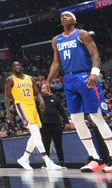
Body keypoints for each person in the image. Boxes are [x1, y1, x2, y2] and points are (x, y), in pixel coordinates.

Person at [42, 10, 112, 173]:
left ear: (74, 19)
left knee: (96, 117)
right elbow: (56, 62)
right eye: (62, 16)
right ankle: (94, 158)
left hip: (85, 77)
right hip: (69, 80)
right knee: (76, 120)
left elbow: (95, 54)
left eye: (68, 15)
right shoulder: (56, 40)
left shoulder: (82, 34)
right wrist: (48, 81)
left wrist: (95, 72)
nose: (64, 17)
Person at [4, 61, 61, 171]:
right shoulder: (10, 80)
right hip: (22, 106)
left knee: (36, 133)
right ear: (12, 69)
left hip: (32, 106)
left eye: (19, 65)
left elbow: (37, 92)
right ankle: (47, 161)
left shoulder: (30, 78)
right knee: (35, 132)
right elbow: (7, 97)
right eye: (14, 65)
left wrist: (41, 101)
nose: (17, 66)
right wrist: (8, 111)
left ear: (22, 66)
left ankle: (24, 158)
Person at [41, 81, 69, 167]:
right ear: (41, 90)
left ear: (49, 88)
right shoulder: (39, 99)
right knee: (46, 144)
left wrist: (67, 121)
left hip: (56, 124)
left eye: (46, 87)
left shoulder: (55, 98)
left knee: (58, 144)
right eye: (43, 88)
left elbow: (62, 111)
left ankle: (61, 162)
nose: (45, 89)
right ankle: (46, 163)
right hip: (44, 125)